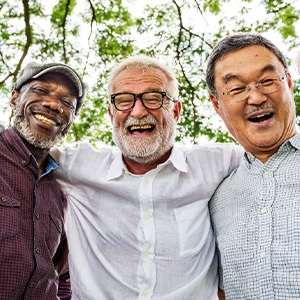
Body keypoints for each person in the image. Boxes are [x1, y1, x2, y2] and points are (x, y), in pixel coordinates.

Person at [51, 54, 244, 300]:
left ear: (176, 110)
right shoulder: (75, 167)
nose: (139, 111)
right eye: (123, 100)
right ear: (111, 114)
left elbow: (277, 152)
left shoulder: (218, 163)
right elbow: (16, 148)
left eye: (154, 98)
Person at [207, 33, 300, 299]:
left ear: (289, 83)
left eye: (268, 81)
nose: (257, 97)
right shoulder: (216, 197)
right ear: (217, 105)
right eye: (236, 88)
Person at [0, 61, 86, 299]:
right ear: (15, 98)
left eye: (67, 103)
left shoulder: (61, 192)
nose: (53, 104)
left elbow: (64, 277)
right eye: (41, 91)